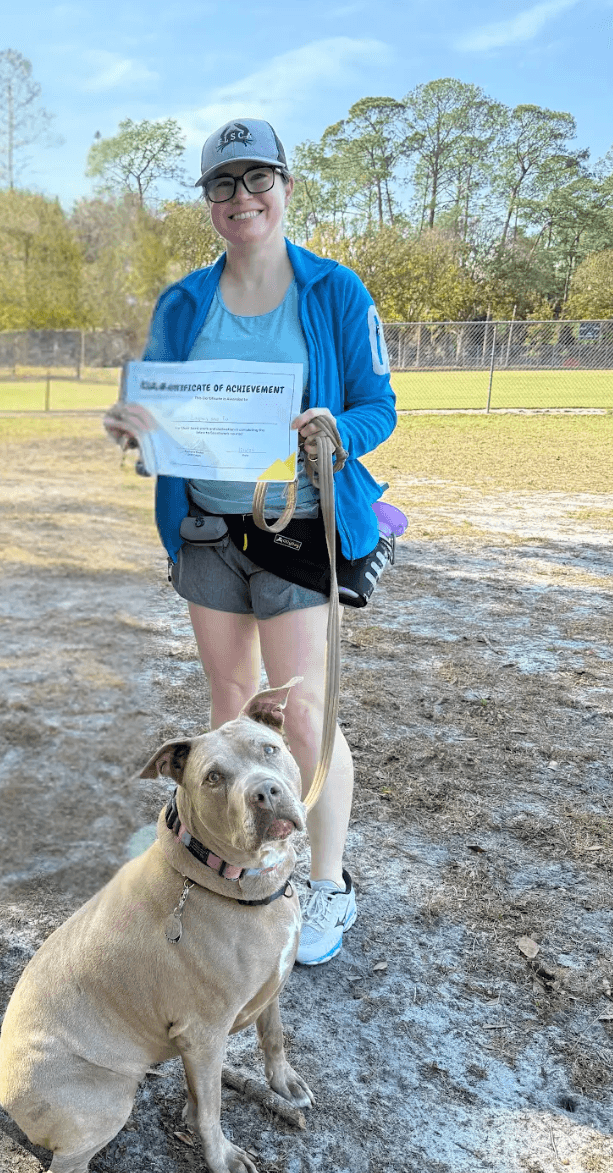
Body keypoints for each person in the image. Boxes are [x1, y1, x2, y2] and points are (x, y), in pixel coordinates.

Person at [104, 118, 396, 965]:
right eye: (223, 185)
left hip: (300, 527)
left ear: (286, 186)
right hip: (204, 531)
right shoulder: (184, 302)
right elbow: (160, 410)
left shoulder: (335, 291)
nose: (242, 198)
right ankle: (237, 848)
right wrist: (135, 426)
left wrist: (336, 428)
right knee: (232, 703)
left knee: (303, 712)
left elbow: (380, 406)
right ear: (208, 202)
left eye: (257, 178)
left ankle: (328, 883)